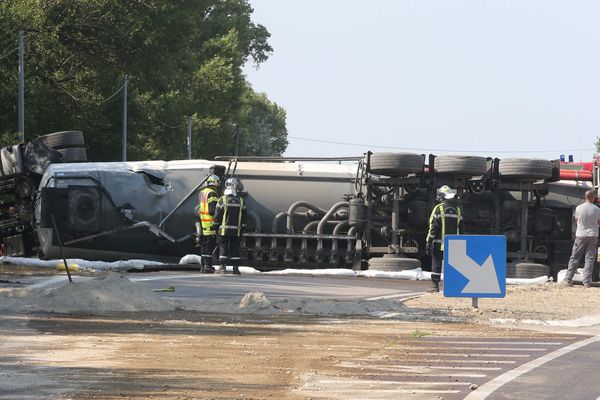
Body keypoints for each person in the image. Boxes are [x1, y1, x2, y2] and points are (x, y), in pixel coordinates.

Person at [425, 185, 462, 293]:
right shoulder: (457, 210)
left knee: (436, 263)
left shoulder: (438, 208)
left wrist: (428, 242)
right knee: (452, 266)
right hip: (454, 244)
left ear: (442, 196)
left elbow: (433, 227)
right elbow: (462, 227)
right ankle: (453, 287)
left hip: (438, 243)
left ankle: (435, 286)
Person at [563, 189, 600, 287]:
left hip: (580, 235)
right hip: (593, 235)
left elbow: (576, 220)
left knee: (575, 257)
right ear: (593, 197)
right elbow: (599, 223)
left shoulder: (579, 208)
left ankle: (568, 279)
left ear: (585, 197)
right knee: (590, 258)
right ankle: (586, 282)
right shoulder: (598, 210)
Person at [213, 177, 246, 275]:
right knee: (235, 248)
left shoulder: (222, 200)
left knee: (223, 247)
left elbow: (217, 216)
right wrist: (242, 229)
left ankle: (222, 268)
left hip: (223, 231)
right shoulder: (241, 200)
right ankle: (236, 269)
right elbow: (245, 218)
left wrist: (215, 228)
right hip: (237, 231)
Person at [196, 174, 220, 273]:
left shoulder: (202, 192)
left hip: (203, 223)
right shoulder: (212, 193)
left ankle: (203, 266)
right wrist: (218, 219)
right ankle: (208, 267)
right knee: (209, 247)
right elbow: (212, 210)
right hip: (210, 223)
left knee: (204, 246)